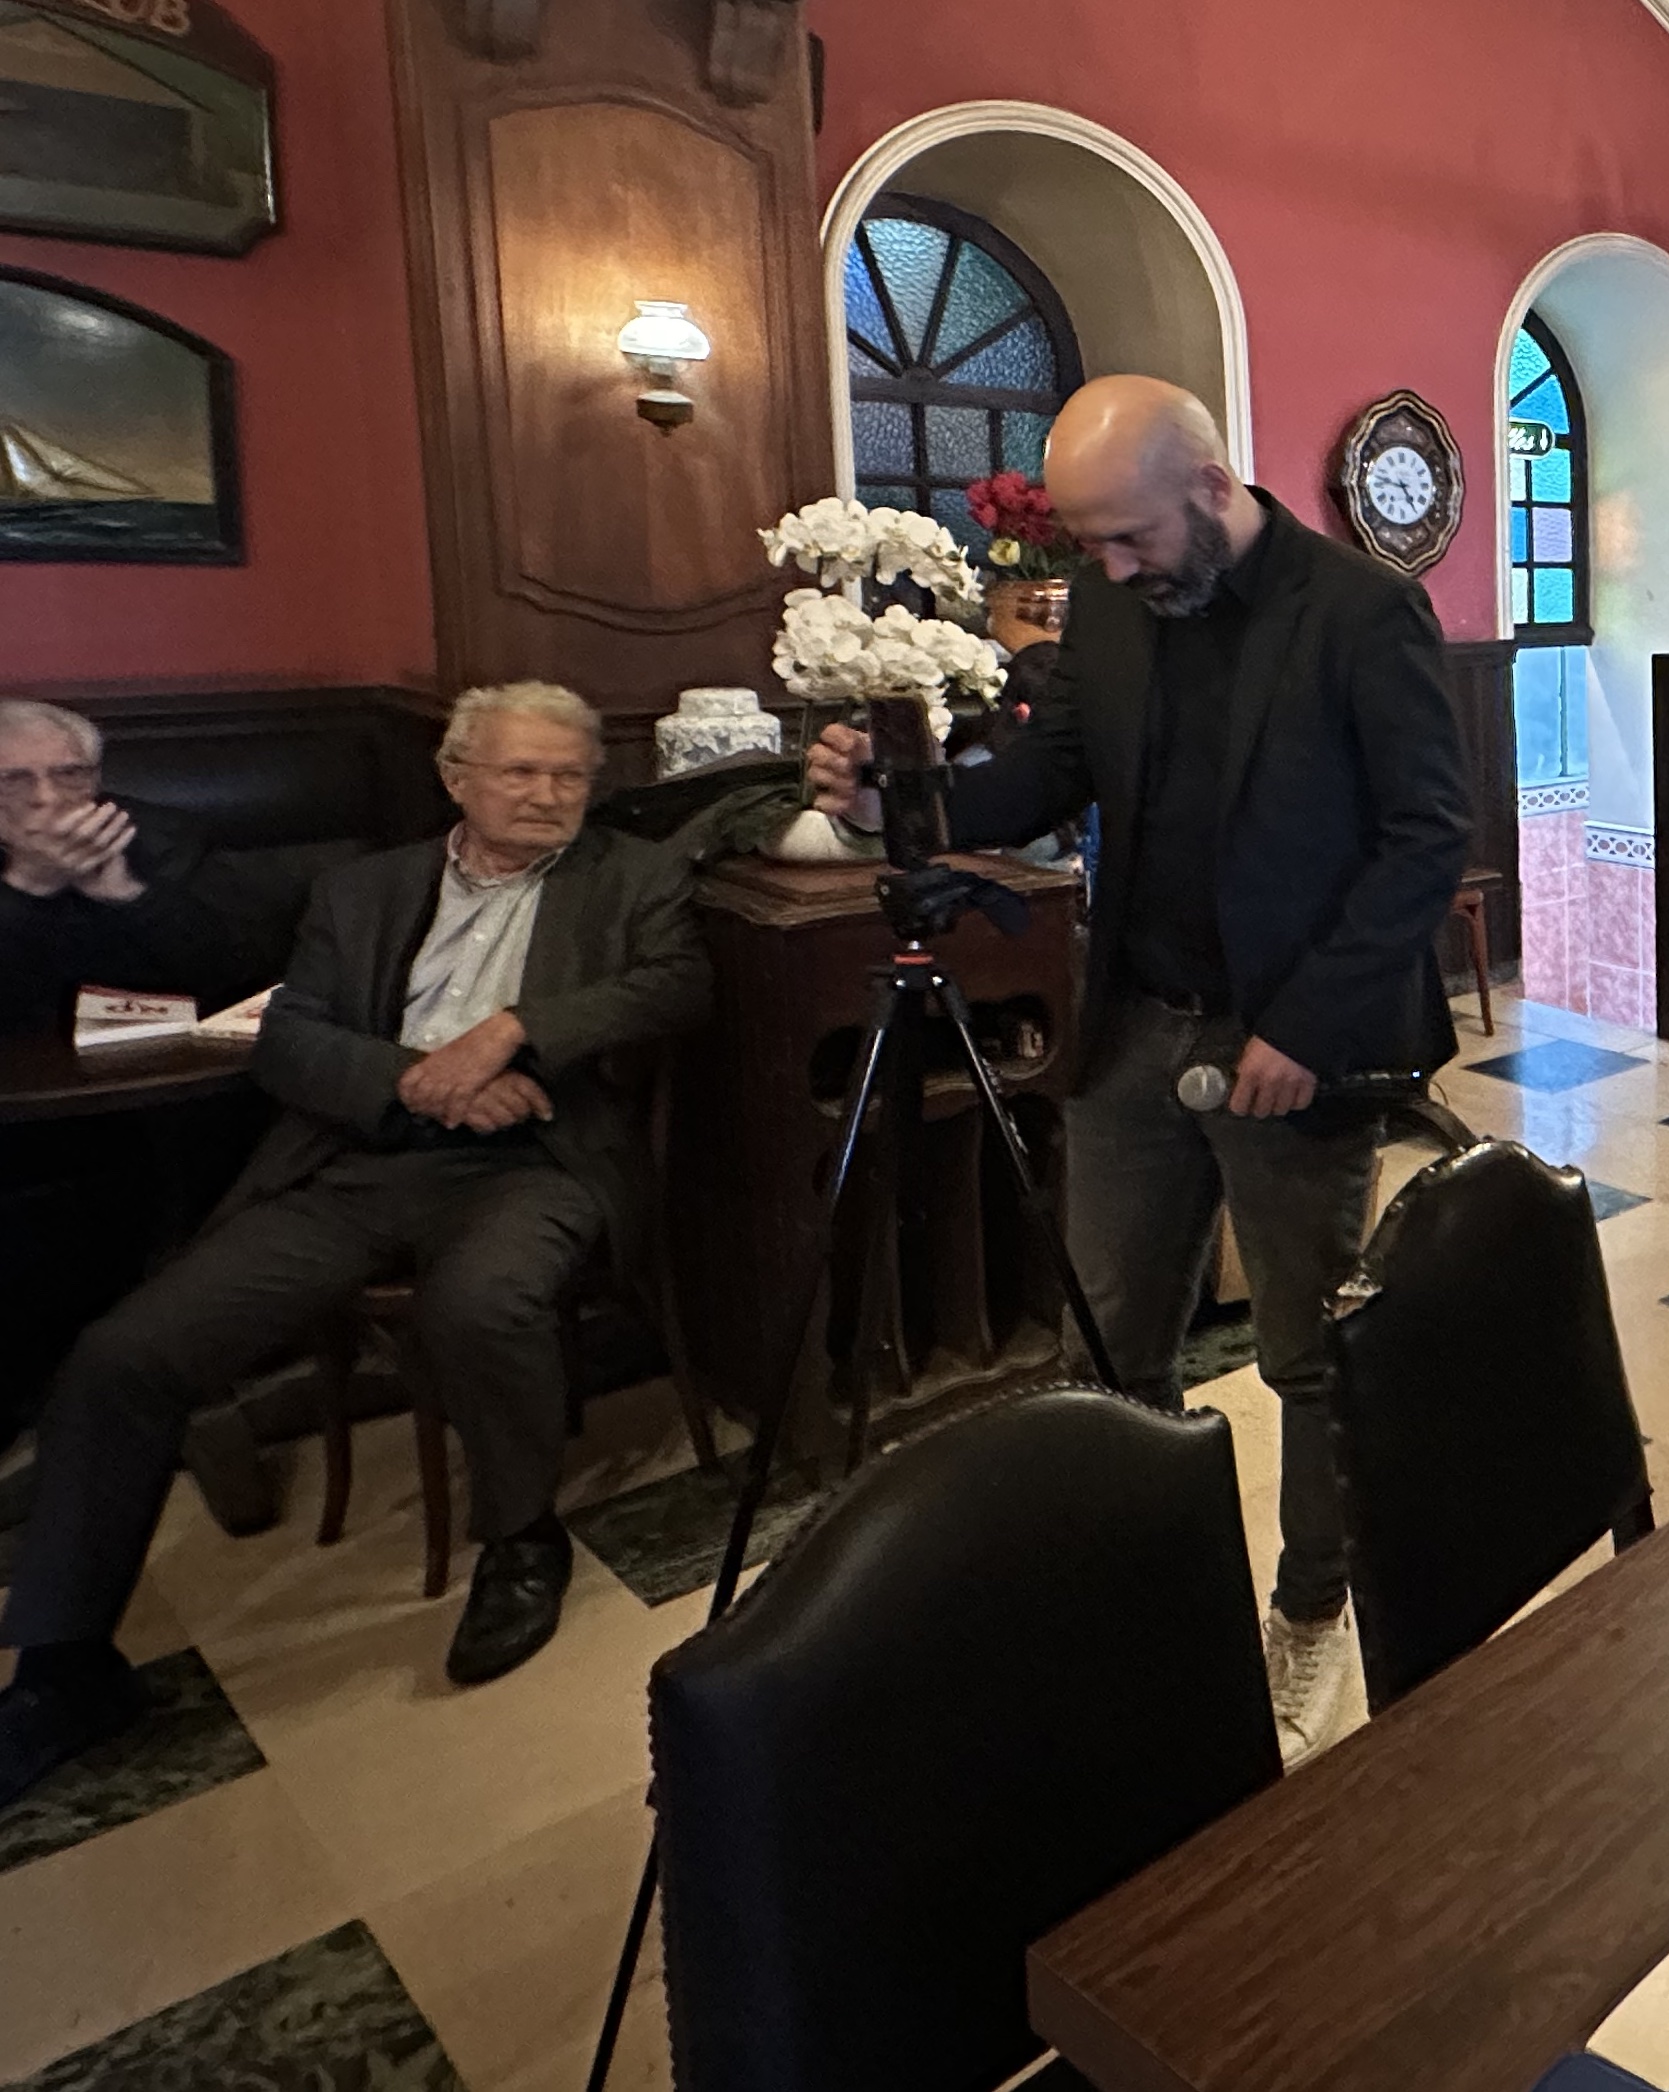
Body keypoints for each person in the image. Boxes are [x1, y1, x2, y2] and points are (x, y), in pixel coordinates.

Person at [800, 375, 1468, 1750]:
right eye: (1087, 543)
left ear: (1212, 489)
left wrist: (1306, 1027)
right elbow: (1052, 779)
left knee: (1308, 1356)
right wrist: (896, 803)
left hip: (1293, 1043)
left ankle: (1308, 1612)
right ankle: (1137, 1597)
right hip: (1137, 1025)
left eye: (1127, 537)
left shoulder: (1358, 611)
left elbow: (1424, 838)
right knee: (1108, 1345)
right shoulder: (1113, 604)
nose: (1103, 570)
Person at [0, 684, 713, 1805]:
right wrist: (421, 1087)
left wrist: (513, 1034)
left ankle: (523, 1539)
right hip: (358, 1163)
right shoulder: (364, 888)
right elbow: (289, 1038)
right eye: (520, 772)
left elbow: (672, 985)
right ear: (457, 776)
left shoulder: (634, 878)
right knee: (127, 1352)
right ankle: (63, 1662)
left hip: (538, 1160)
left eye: (570, 775)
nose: (547, 795)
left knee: (479, 1303)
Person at [0, 697, 284, 1031]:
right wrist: (30, 885)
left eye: (69, 773)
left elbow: (242, 979)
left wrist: (129, 894)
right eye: (13, 779)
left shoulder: (167, 836)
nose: (47, 796)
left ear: (96, 778)